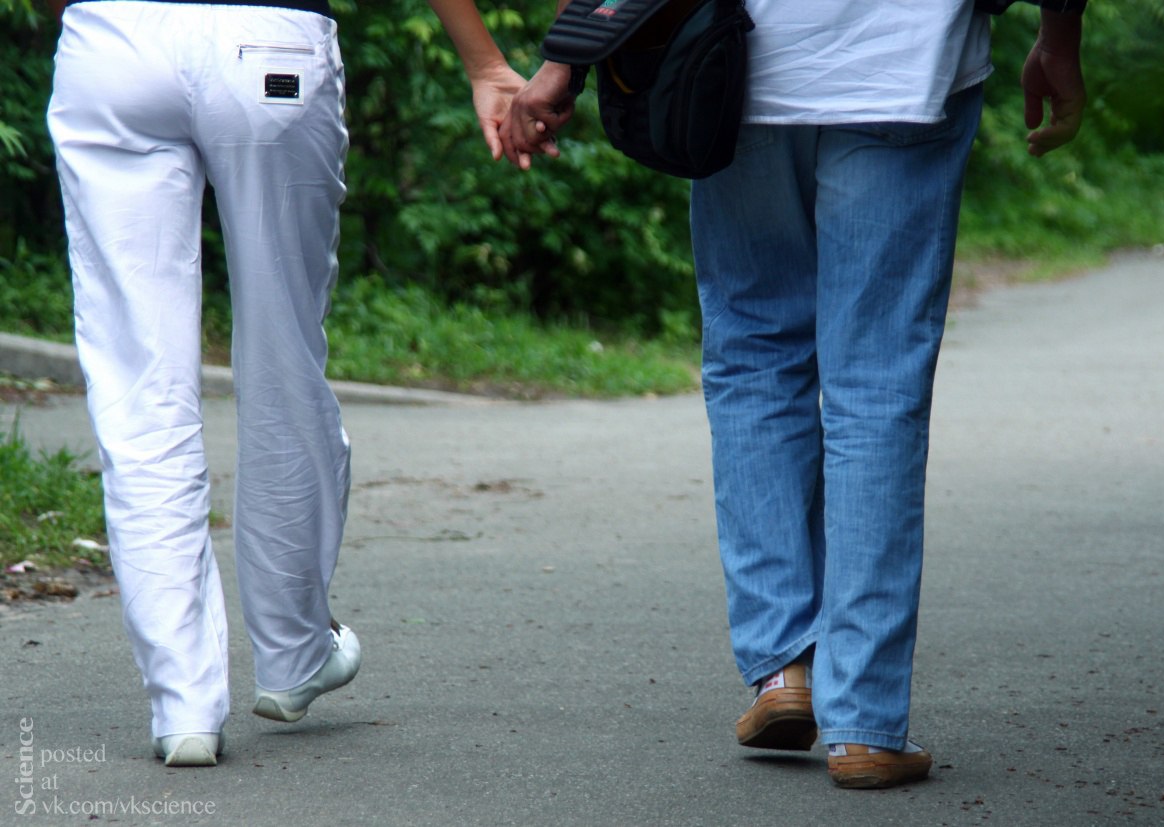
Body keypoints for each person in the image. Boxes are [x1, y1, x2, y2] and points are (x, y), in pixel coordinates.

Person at [502, 0, 1086, 788]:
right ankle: (868, 722)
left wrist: (566, 58)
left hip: (743, 62)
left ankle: (783, 667)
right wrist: (1060, 30)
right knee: (877, 381)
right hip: (903, 62)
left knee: (753, 357)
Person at [46, 0, 524, 766]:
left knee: (140, 388)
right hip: (266, 40)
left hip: (113, 40)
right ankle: (296, 649)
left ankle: (183, 705)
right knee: (282, 365)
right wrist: (482, 61)